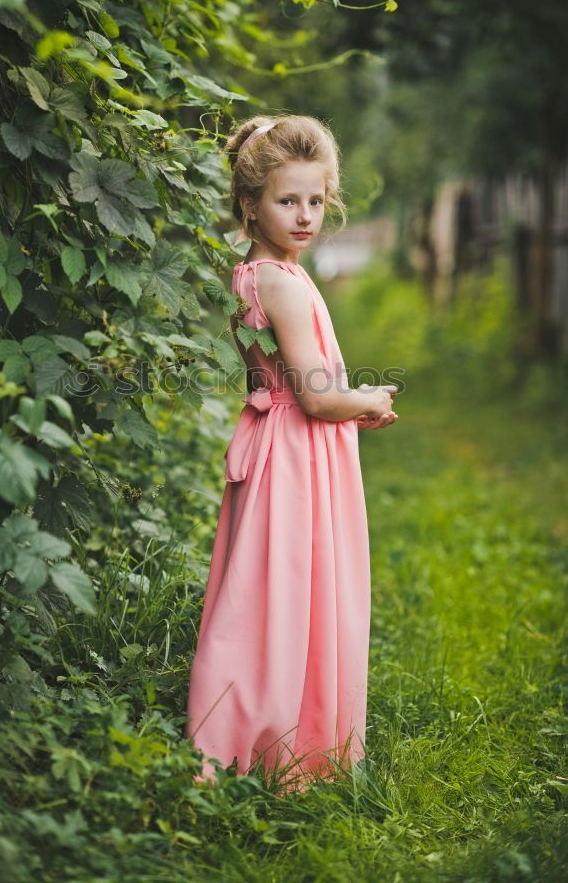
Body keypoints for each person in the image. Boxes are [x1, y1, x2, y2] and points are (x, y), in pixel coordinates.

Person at [184, 114, 398, 792]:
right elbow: (314, 399)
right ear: (251, 205)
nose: (305, 216)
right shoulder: (281, 282)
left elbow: (268, 384)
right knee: (294, 592)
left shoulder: (252, 273)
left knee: (265, 592)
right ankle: (282, 741)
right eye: (287, 201)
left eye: (314, 200)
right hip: (298, 458)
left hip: (273, 446)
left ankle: (256, 726)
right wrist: (369, 398)